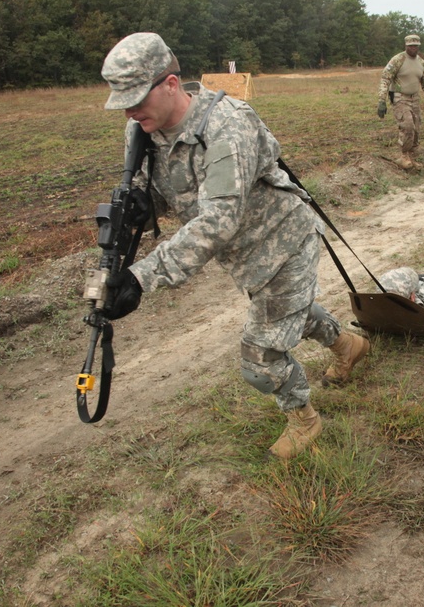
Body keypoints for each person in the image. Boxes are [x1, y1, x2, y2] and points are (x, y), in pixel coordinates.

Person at [100, 32, 370, 460]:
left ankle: (305, 420)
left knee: (260, 356)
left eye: (137, 97)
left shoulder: (226, 125)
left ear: (171, 83)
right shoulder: (143, 131)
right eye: (123, 101)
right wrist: (138, 208)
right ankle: (348, 346)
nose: (130, 110)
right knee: (289, 313)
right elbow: (161, 190)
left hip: (283, 243)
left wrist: (140, 278)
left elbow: (217, 220)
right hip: (246, 256)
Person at [376, 34, 424, 171]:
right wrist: (382, 100)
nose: (413, 48)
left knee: (416, 128)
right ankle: (403, 156)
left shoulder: (421, 63)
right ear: (406, 46)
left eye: (415, 45)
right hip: (399, 96)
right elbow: (385, 79)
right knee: (407, 124)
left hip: (414, 98)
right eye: (410, 46)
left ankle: (411, 156)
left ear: (419, 46)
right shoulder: (398, 60)